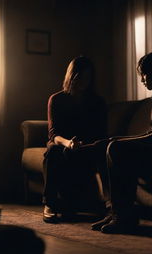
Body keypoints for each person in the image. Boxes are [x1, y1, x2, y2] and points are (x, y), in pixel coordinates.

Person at [91, 52, 152, 233]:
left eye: (144, 74)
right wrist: (120, 139)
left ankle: (124, 216)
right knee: (103, 146)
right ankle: (113, 211)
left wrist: (121, 142)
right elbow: (151, 132)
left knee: (116, 148)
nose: (142, 79)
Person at [42, 56, 107, 223]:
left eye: (88, 77)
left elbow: (101, 133)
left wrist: (84, 145)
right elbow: (53, 134)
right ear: (72, 76)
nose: (84, 81)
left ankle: (75, 203)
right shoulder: (56, 99)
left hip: (86, 145)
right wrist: (69, 143)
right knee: (53, 151)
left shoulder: (97, 102)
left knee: (84, 154)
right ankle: (49, 203)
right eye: (80, 77)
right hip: (62, 142)